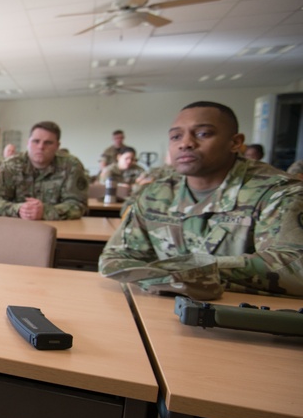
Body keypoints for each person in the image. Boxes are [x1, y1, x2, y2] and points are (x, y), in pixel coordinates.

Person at [99, 102, 303, 298]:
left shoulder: (278, 193)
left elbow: (294, 267)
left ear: (235, 143)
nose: (186, 143)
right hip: (160, 307)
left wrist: (178, 273)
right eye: (176, 136)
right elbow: (115, 259)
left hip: (244, 318)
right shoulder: (156, 193)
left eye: (203, 134)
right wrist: (175, 277)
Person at [0, 122, 89, 221]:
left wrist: (45, 211)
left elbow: (78, 204)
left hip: (59, 229)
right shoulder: (11, 165)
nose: (41, 147)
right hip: (17, 228)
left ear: (57, 146)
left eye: (48, 143)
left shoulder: (71, 166)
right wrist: (19, 209)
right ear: (28, 143)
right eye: (36, 141)